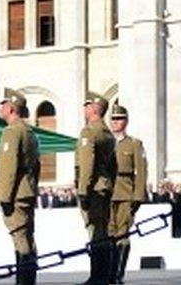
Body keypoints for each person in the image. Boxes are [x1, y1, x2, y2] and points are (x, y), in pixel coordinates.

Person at [0, 88, 40, 285]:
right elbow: (36, 165)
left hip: (16, 193)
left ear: (11, 108)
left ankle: (24, 282)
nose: (0, 108)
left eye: (3, 104)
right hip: (26, 189)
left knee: (20, 239)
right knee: (27, 237)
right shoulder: (29, 132)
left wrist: (4, 197)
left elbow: (8, 167)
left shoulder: (12, 132)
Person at [75, 92, 116, 285]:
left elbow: (86, 164)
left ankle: (98, 276)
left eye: (86, 105)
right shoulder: (107, 132)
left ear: (94, 109)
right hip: (105, 186)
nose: (84, 108)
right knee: (103, 231)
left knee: (96, 232)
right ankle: (104, 274)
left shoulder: (89, 131)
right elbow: (113, 165)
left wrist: (83, 190)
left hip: (93, 189)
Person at [108, 104, 147, 284]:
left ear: (126, 121)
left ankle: (118, 274)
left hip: (125, 192)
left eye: (119, 118)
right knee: (108, 233)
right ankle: (108, 272)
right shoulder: (106, 141)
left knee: (122, 234)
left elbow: (141, 171)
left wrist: (138, 196)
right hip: (107, 192)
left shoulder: (134, 144)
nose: (116, 122)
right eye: (113, 119)